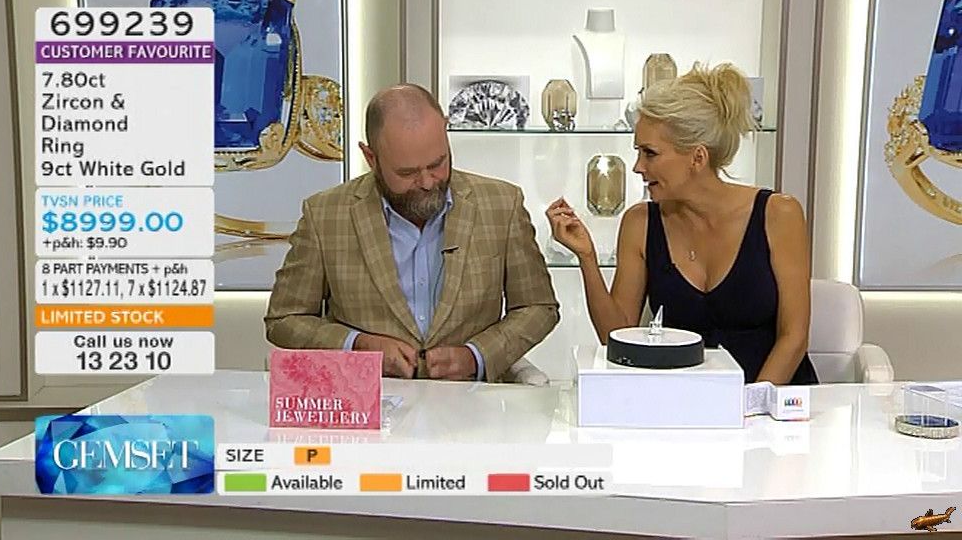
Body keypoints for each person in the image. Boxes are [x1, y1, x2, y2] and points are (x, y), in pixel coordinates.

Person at [265, 83, 560, 381]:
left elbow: (538, 307)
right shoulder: (325, 215)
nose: (428, 182)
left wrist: (476, 356)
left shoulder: (502, 204)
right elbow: (284, 320)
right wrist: (358, 346)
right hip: (369, 399)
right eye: (407, 173)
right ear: (371, 158)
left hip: (471, 399)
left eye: (438, 163)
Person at [546, 63, 818, 385]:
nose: (637, 167)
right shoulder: (640, 223)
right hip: (686, 399)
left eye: (650, 153)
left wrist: (750, 404)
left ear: (697, 157)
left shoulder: (778, 214)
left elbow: (794, 337)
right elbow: (616, 337)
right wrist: (587, 258)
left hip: (773, 399)